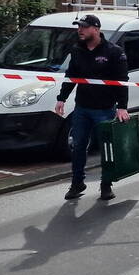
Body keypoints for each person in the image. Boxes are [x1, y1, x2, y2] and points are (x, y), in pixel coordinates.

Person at [53, 15, 130, 201]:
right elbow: (72, 75)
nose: (80, 30)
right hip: (82, 108)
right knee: (78, 145)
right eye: (79, 27)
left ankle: (106, 185)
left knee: (106, 148)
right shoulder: (77, 50)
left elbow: (122, 81)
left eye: (84, 27)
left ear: (96, 29)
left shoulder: (113, 52)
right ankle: (77, 183)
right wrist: (62, 98)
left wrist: (122, 107)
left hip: (104, 109)